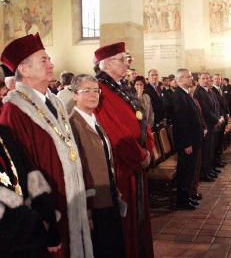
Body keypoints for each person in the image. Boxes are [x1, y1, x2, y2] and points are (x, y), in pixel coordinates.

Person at [0, 33, 93, 258]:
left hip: (72, 200)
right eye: (44, 60)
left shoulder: (55, 102)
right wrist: (44, 216)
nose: (51, 64)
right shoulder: (14, 110)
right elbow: (21, 171)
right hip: (49, 207)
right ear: (24, 69)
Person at [93, 42, 154, 258]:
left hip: (136, 162)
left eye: (127, 58)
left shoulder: (121, 87)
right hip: (122, 166)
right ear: (107, 64)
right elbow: (116, 132)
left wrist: (148, 147)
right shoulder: (100, 90)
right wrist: (141, 155)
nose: (127, 63)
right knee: (125, 223)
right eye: (122, 59)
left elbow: (141, 120)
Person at [70, 74, 125, 258]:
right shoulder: (72, 125)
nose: (93, 95)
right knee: (101, 248)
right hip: (93, 201)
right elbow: (76, 170)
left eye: (96, 91)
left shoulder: (94, 120)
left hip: (107, 194)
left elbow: (105, 159)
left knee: (113, 246)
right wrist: (85, 208)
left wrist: (114, 187)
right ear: (74, 95)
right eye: (86, 91)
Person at [0, 125, 61, 257]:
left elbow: (30, 173)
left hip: (32, 240)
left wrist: (47, 217)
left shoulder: (4, 132)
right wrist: (34, 222)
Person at [171, 69, 203, 210]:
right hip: (187, 143)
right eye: (189, 76)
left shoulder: (185, 94)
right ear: (181, 79)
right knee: (185, 171)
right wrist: (187, 143)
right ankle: (182, 201)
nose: (192, 78)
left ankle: (187, 197)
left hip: (192, 141)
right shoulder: (179, 96)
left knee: (189, 171)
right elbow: (181, 122)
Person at [194, 72, 224, 182]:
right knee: (206, 150)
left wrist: (219, 117)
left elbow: (216, 106)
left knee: (211, 150)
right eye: (203, 78)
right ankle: (204, 173)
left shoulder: (209, 91)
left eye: (207, 78)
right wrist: (216, 120)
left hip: (213, 125)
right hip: (207, 125)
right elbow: (205, 110)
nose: (206, 80)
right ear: (199, 80)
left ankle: (210, 169)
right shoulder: (199, 92)